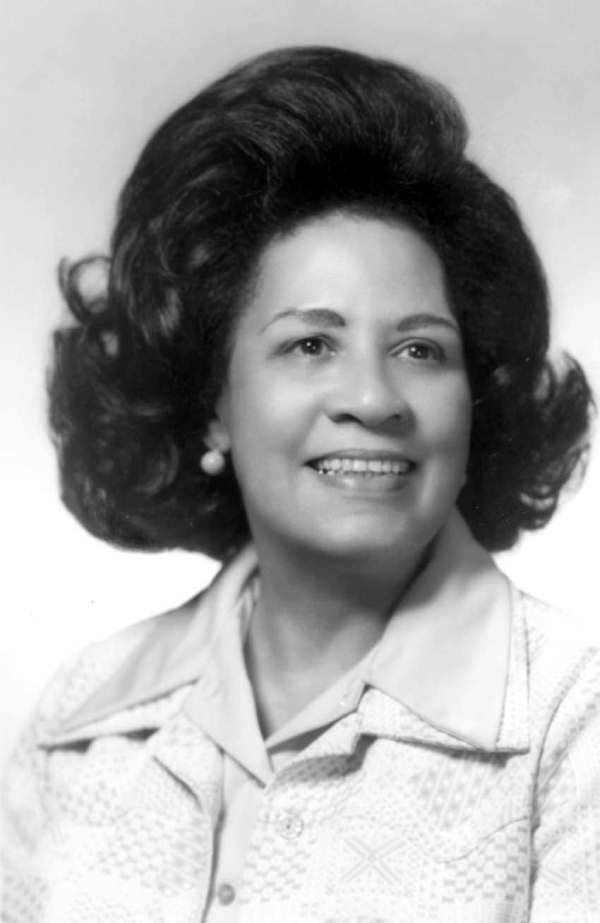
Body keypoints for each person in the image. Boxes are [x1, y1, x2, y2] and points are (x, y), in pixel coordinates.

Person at [2, 45, 598, 923]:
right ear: (211, 404)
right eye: (311, 343)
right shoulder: (81, 719)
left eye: (420, 348)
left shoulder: (574, 719)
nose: (374, 398)